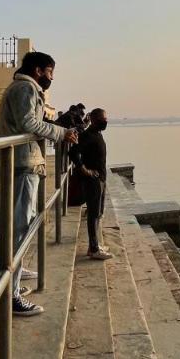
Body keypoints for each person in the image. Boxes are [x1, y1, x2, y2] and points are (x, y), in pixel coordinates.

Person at [0, 51, 78, 316]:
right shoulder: (26, 89)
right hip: (20, 166)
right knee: (18, 227)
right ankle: (10, 294)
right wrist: (61, 133)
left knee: (5, 225)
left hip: (14, 164)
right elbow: (29, 122)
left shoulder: (20, 87)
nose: (51, 77)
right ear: (40, 70)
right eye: (50, 71)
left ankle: (3, 278)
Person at [77, 107, 112, 260]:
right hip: (93, 181)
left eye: (106, 120)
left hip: (101, 180)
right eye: (102, 120)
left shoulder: (97, 134)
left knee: (98, 213)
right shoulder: (87, 135)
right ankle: (93, 249)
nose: (105, 123)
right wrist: (85, 170)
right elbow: (73, 152)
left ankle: (95, 244)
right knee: (93, 214)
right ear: (94, 120)